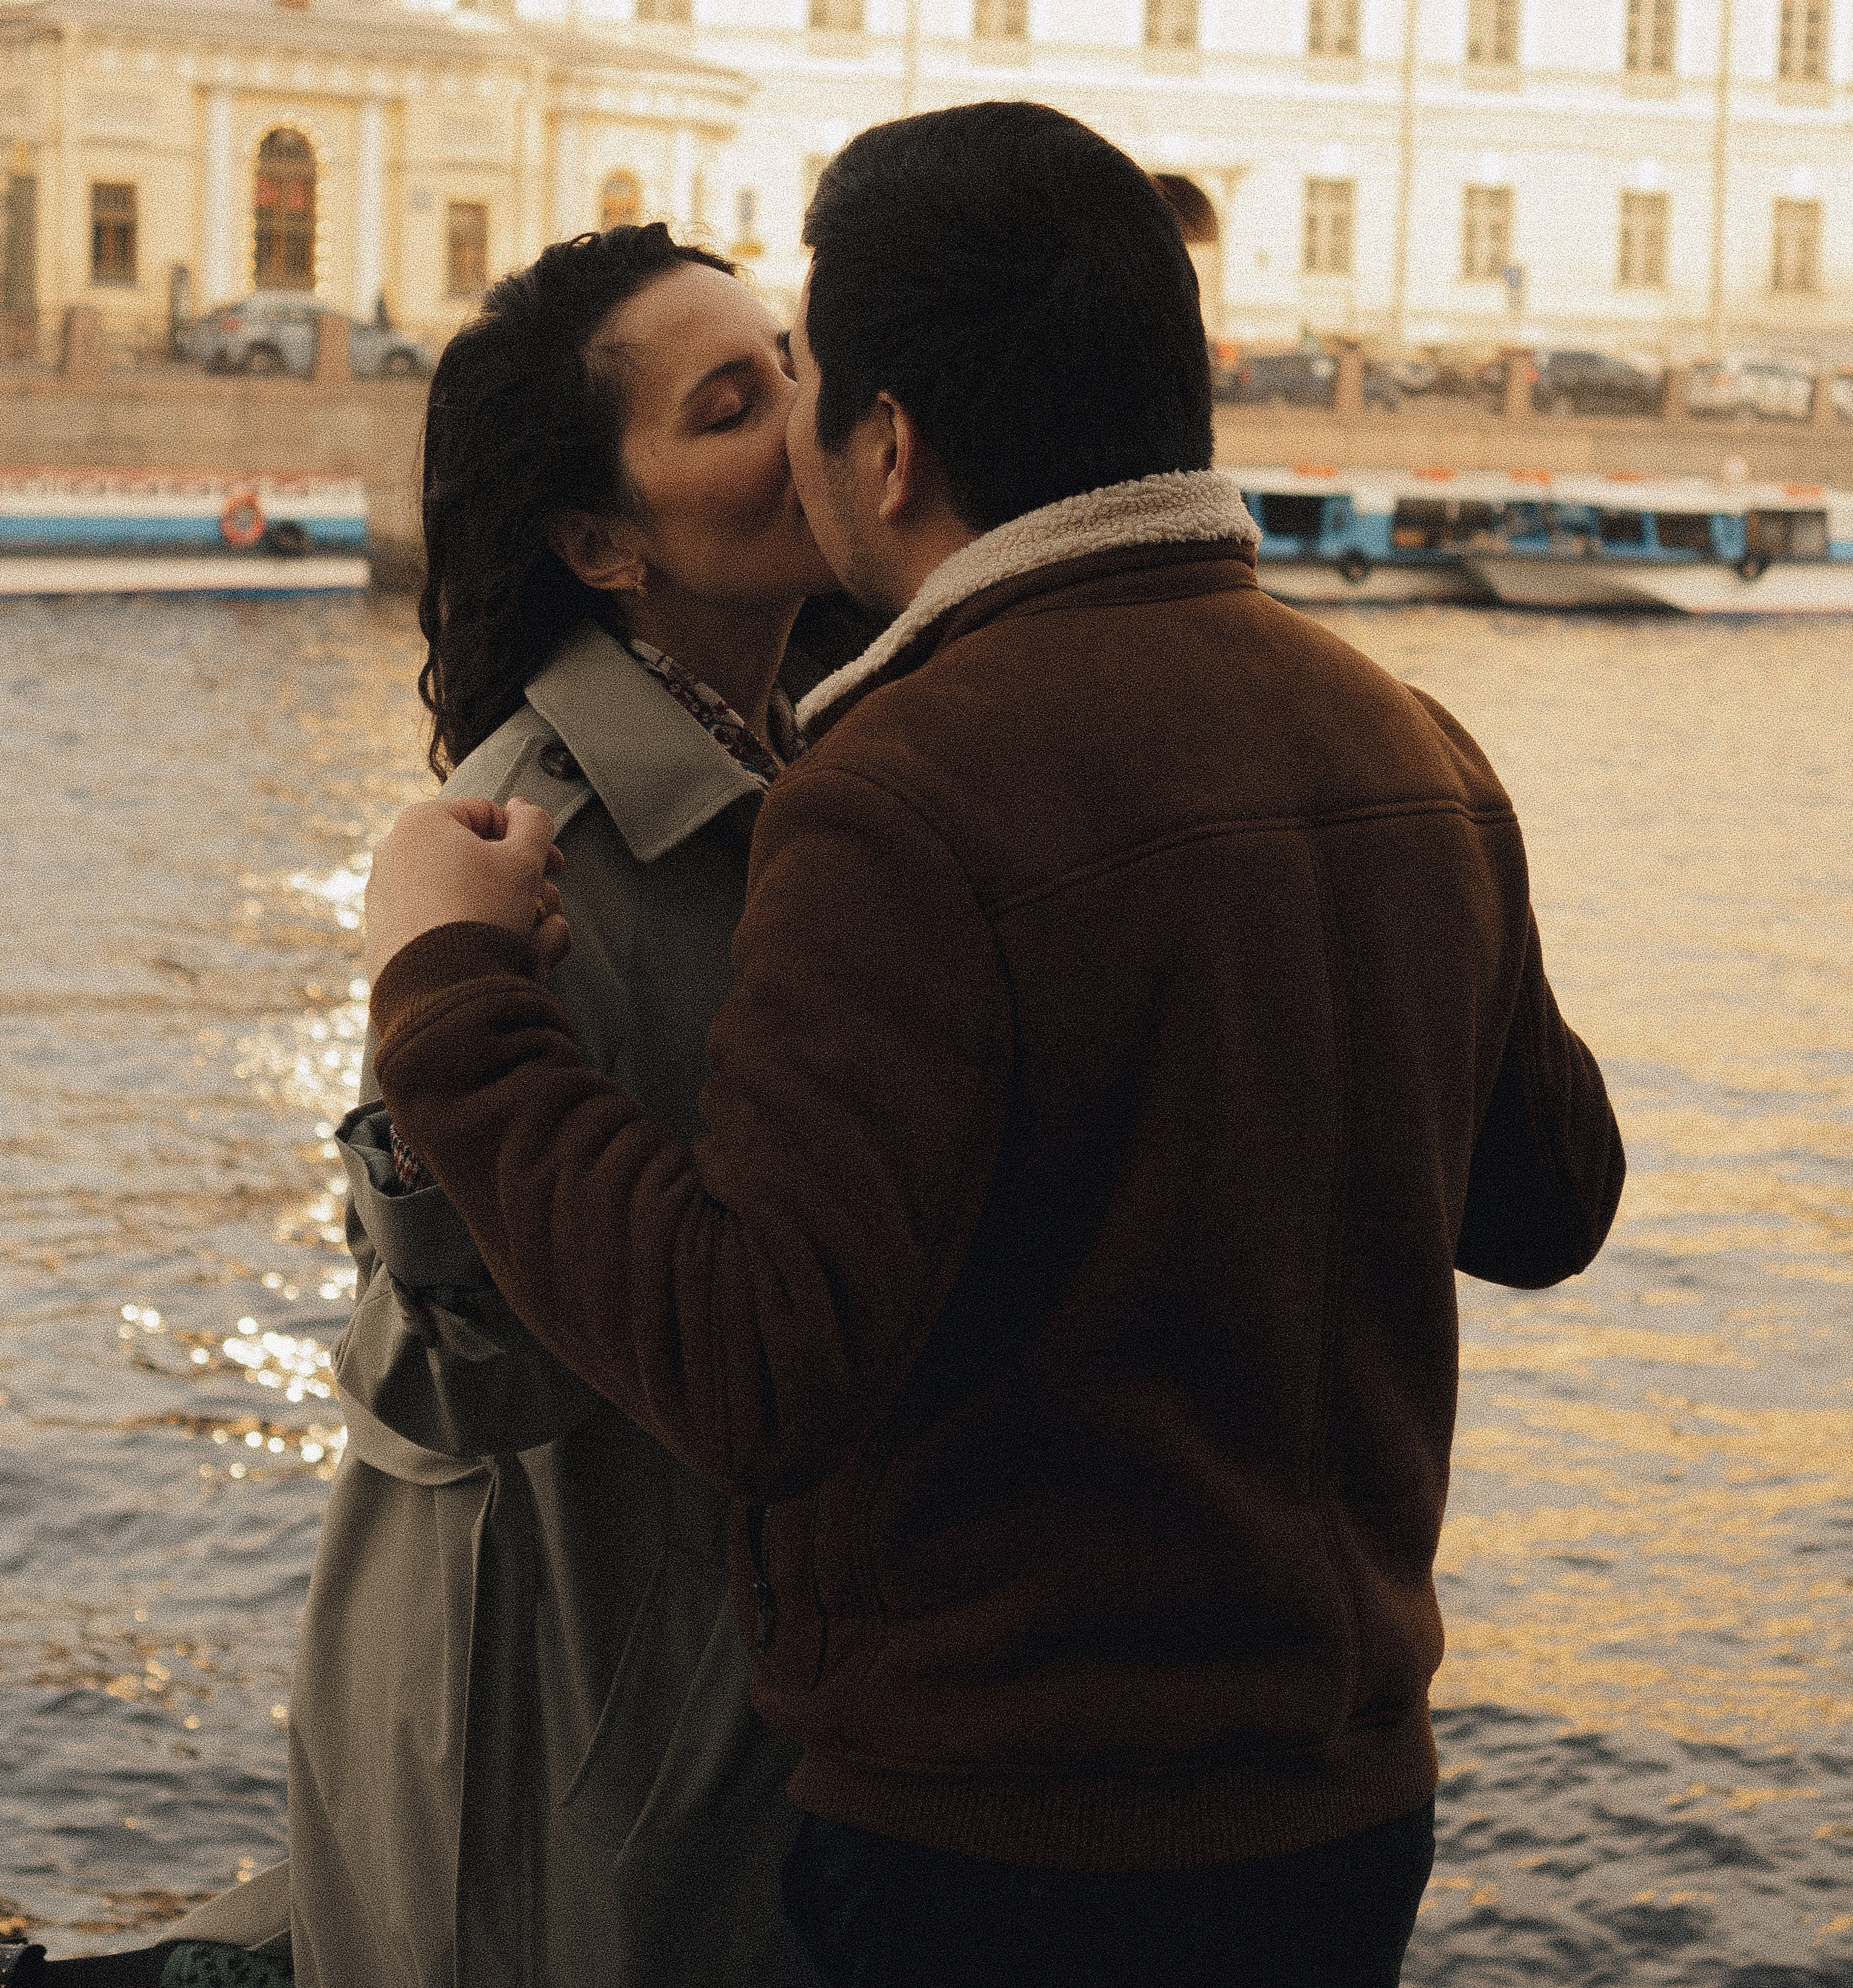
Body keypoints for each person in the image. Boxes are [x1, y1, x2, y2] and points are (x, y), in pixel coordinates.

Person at [362, 101, 1627, 1988]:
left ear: (888, 450)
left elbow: (757, 1368)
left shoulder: (900, 797)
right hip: (1345, 1803)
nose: (788, 427)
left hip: (1007, 1840)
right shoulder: (1406, 738)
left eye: (802, 380)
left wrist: (455, 1007)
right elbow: (1551, 1201)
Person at [29, 224, 843, 1988]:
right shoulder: (531, 841)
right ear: (601, 543)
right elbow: (450, 1373)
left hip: (707, 1694)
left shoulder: (804, 754)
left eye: (787, 362)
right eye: (729, 406)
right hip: (556, 1725)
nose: (802, 413)